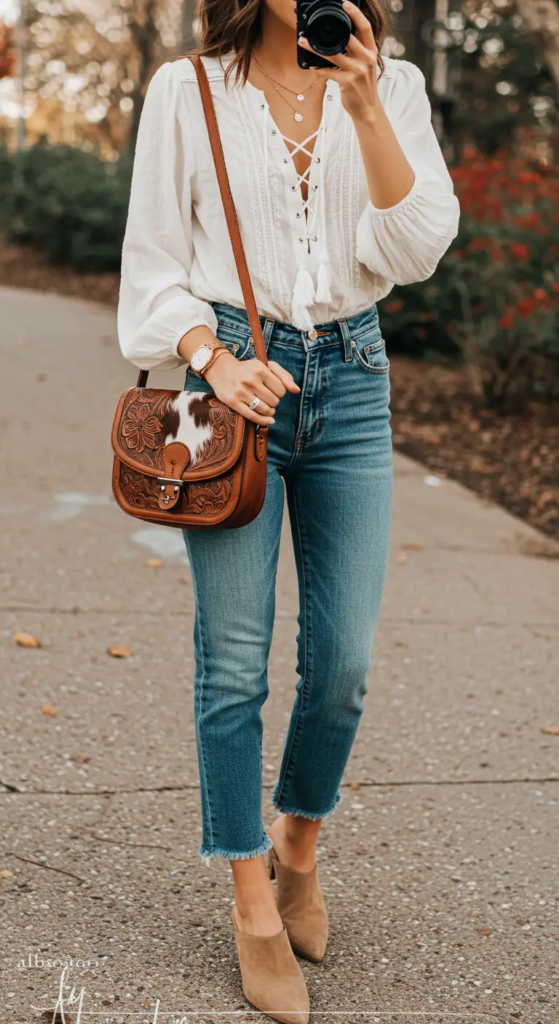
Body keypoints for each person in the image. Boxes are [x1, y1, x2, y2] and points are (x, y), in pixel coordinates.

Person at [117, 1, 460, 1020]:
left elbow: (418, 248)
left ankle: (297, 838)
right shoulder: (187, 91)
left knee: (344, 660)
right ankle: (249, 898)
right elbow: (151, 264)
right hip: (231, 382)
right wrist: (213, 362)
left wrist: (363, 107)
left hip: (352, 377)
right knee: (231, 659)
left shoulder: (388, 86)